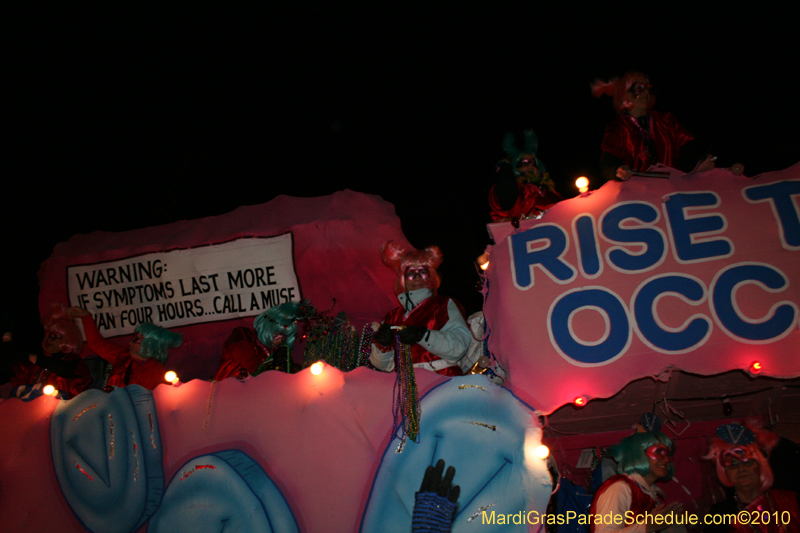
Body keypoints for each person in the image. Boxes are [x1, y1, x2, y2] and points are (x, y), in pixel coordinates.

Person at [370, 241, 470, 377]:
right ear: (403, 278)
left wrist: (424, 336)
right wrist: (383, 347)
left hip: (442, 381)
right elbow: (383, 366)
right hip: (405, 386)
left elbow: (459, 347)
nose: (417, 277)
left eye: (423, 272)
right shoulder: (392, 317)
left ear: (430, 276)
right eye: (411, 272)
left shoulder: (444, 305)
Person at [592, 72, 715, 182]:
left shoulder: (666, 120)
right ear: (625, 93)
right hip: (640, 196)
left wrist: (701, 163)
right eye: (639, 88)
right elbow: (608, 163)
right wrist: (617, 170)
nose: (646, 93)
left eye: (648, 88)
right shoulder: (617, 128)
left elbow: (688, 150)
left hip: (672, 189)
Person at [704, 423, 800, 533]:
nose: (741, 469)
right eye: (733, 464)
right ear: (724, 471)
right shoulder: (719, 515)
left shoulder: (790, 500)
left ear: (760, 465)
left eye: (747, 462)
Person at [590, 430, 685, 533]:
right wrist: (647, 526)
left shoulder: (646, 493)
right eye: (658, 452)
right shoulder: (620, 488)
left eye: (668, 454)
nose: (667, 460)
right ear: (638, 454)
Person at [69, 307, 182, 390]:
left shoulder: (156, 372)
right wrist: (86, 318)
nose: (129, 343)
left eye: (135, 340)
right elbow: (96, 344)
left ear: (149, 344)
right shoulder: (123, 356)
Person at [9, 304, 92, 400]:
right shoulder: (37, 366)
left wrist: (33, 358)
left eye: (55, 337)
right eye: (48, 336)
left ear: (68, 339)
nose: (49, 340)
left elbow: (63, 370)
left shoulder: (75, 363)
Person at [213, 300, 310, 380]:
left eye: (284, 337)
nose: (280, 340)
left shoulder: (274, 350)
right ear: (268, 327)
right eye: (278, 334)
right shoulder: (243, 336)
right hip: (226, 393)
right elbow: (253, 365)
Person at [489, 129, 562, 223]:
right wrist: (505, 167)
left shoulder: (549, 190)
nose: (530, 165)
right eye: (524, 162)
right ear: (516, 168)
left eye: (533, 162)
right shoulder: (516, 189)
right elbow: (506, 199)